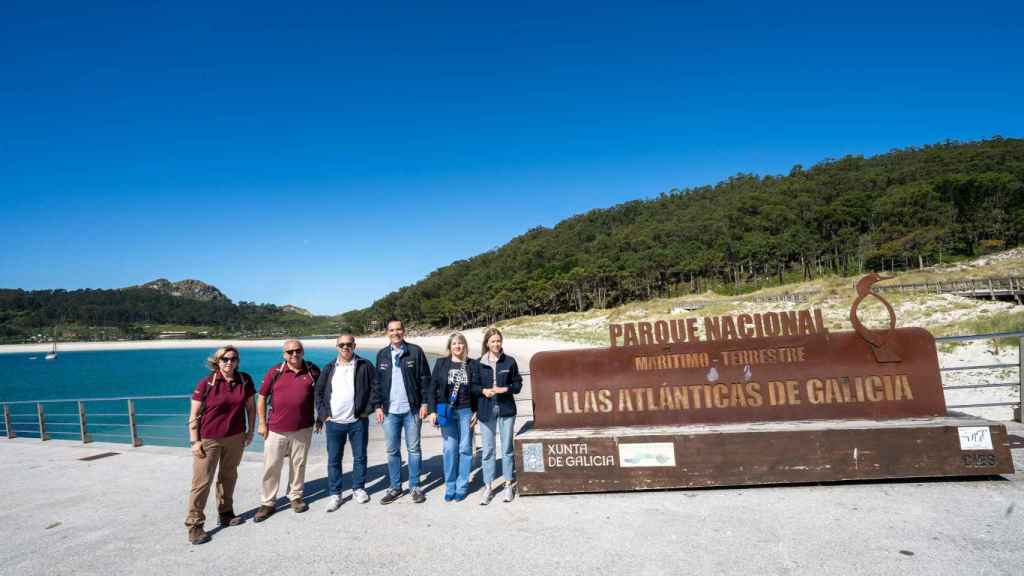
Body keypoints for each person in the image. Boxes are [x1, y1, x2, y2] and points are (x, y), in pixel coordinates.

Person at [184, 345, 255, 545]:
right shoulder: (207, 383)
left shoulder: (244, 380)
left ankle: (225, 513)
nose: (229, 362)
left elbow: (250, 408)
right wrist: (194, 441)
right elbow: (193, 416)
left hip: (235, 437)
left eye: (233, 359)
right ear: (217, 361)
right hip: (209, 439)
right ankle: (195, 524)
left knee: (229, 476)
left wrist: (250, 431)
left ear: (238, 361)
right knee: (202, 482)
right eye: (225, 359)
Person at [254, 339, 320, 522]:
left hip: (303, 428)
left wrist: (321, 417)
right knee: (271, 466)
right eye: (290, 352)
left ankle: (295, 496)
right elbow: (262, 397)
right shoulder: (275, 371)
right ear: (284, 354)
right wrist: (261, 423)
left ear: (303, 351)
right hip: (276, 429)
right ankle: (268, 502)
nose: (294, 354)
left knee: (298, 464)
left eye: (297, 350)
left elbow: (322, 395)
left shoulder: (313, 370)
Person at [373, 318, 432, 504]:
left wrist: (425, 403)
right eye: (392, 330)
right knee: (392, 450)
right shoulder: (382, 354)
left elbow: (425, 379)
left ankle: (415, 487)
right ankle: (395, 487)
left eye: (398, 329)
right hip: (389, 411)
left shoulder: (415, 351)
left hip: (412, 410)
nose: (395, 333)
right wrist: (377, 406)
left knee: (414, 449)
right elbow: (377, 383)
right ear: (387, 333)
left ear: (403, 331)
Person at [314, 334, 375, 511]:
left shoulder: (364, 365)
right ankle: (336, 493)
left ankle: (358, 489)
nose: (345, 347)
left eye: (349, 344)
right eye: (341, 345)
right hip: (334, 423)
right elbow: (318, 393)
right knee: (334, 459)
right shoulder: (329, 367)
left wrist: (366, 411)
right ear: (337, 347)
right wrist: (324, 415)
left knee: (360, 457)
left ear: (354, 346)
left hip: (358, 421)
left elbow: (375, 388)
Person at [473, 328, 523, 505]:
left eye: (498, 341)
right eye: (492, 341)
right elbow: (473, 387)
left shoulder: (510, 361)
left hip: (506, 410)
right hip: (486, 411)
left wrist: (505, 389)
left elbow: (518, 385)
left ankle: (508, 484)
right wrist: (483, 391)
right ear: (487, 343)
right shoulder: (478, 363)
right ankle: (488, 487)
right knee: (488, 450)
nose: (496, 344)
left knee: (507, 448)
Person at [429, 332, 479, 502]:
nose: (458, 346)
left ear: (465, 346)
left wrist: (477, 412)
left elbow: (477, 390)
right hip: (446, 411)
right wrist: (432, 411)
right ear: (449, 347)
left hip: (466, 411)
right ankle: (450, 485)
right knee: (450, 449)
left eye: (460, 343)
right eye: (454, 343)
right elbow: (432, 388)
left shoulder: (472, 364)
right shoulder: (441, 363)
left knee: (465, 449)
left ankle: (462, 486)